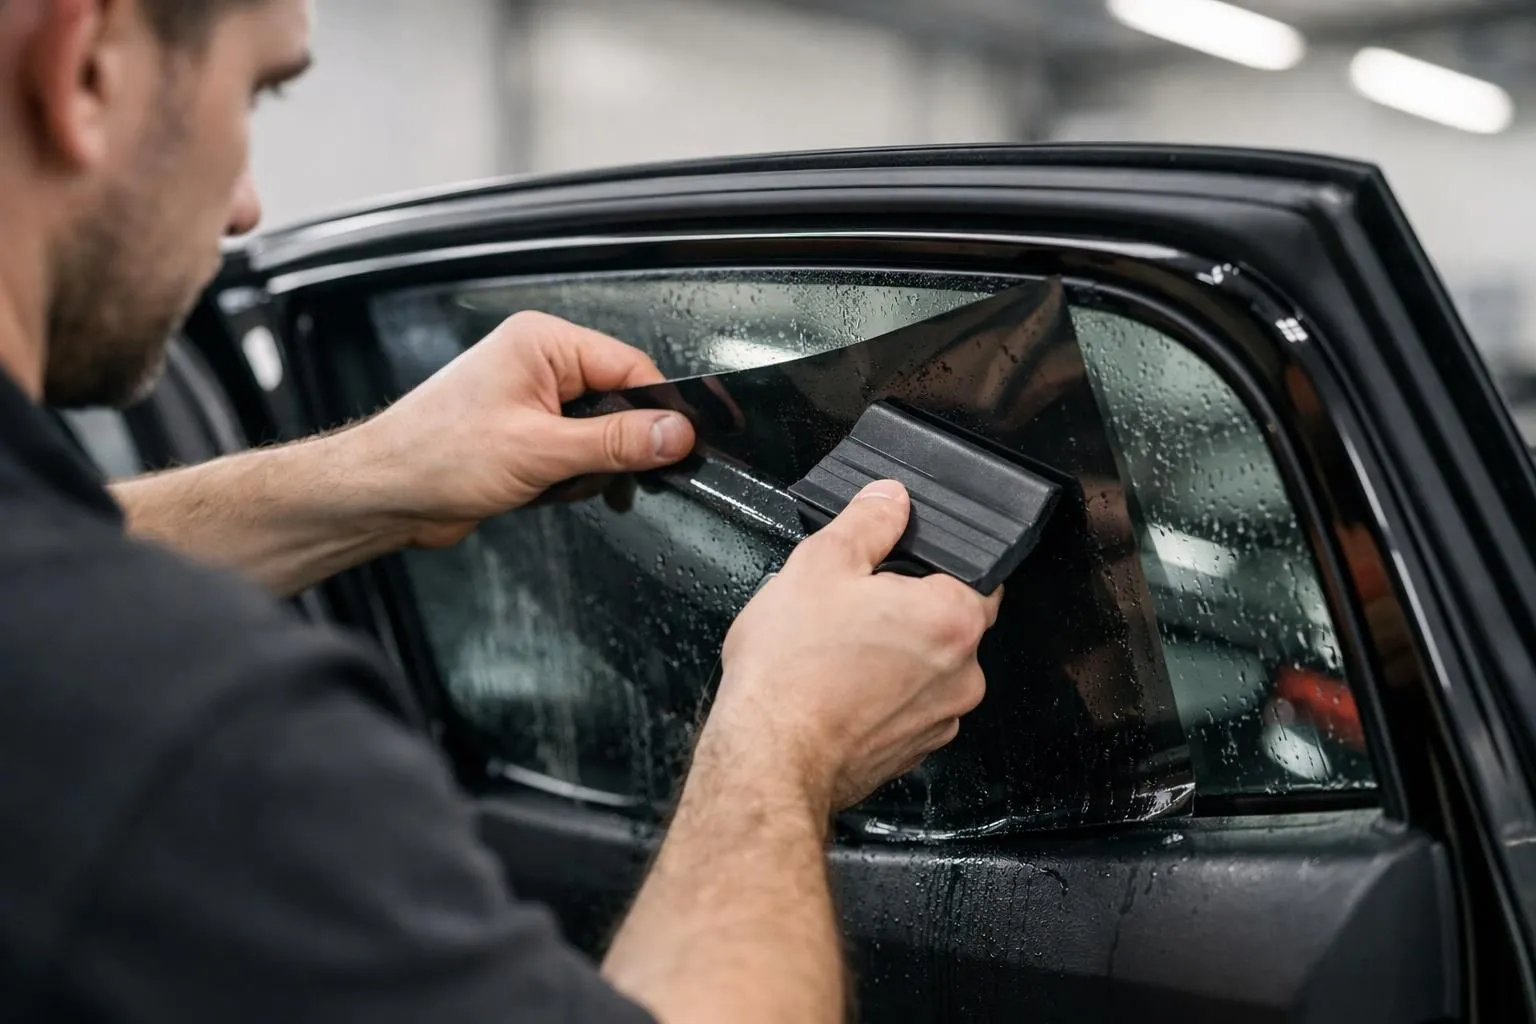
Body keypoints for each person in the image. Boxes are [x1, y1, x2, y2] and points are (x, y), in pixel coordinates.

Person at [0, 1, 1003, 1021]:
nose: (248, 208)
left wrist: (366, 473)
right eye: (257, 91)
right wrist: (784, 739)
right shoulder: (190, 742)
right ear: (89, 68)